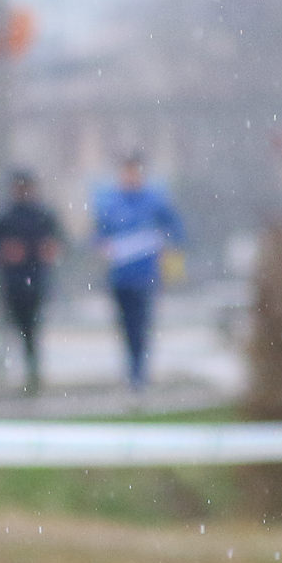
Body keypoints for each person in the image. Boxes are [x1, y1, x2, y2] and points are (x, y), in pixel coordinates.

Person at [90, 151, 186, 390]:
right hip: (120, 276)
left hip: (145, 274)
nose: (130, 177)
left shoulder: (154, 201)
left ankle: (139, 373)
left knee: (142, 323)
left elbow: (175, 229)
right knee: (125, 325)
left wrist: (166, 245)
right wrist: (103, 247)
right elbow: (98, 235)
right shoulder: (110, 204)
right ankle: (132, 370)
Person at [0, 168, 65, 394]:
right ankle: (5, 370)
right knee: (9, 326)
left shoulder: (43, 216)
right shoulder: (4, 217)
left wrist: (48, 251)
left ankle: (31, 372)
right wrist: (4, 252)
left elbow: (58, 242)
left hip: (35, 281)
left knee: (31, 328)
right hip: (11, 282)